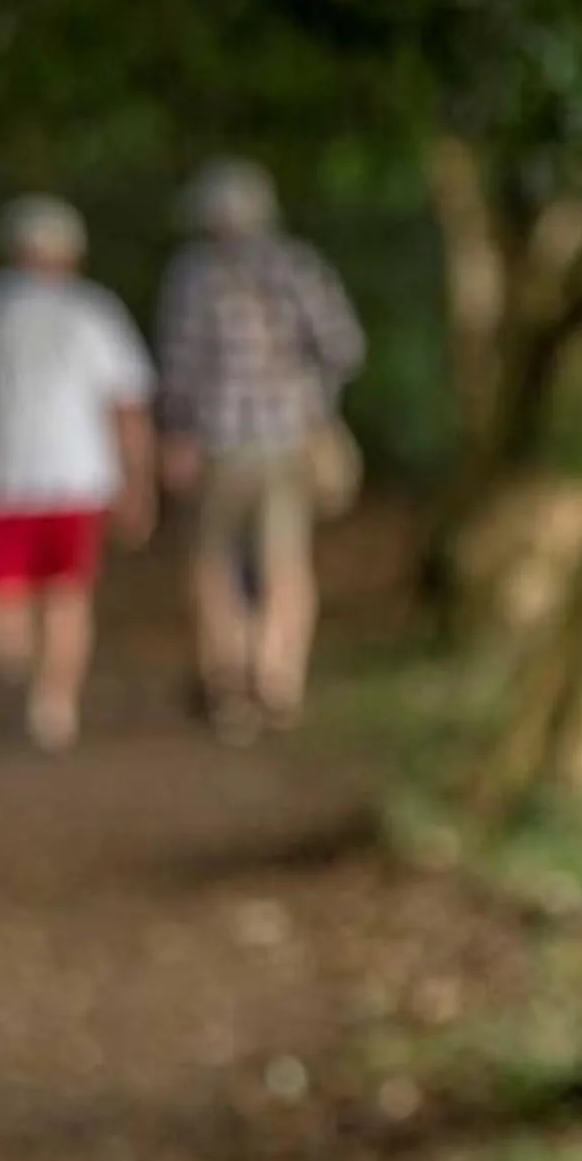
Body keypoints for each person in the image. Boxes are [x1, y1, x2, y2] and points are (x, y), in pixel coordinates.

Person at [0, 195, 157, 752]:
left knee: (2, 596)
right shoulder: (94, 311)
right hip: (79, 478)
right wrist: (137, 482)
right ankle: (54, 706)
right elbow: (127, 407)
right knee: (67, 596)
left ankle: (15, 692)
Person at [153, 159, 365, 740]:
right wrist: (309, 396)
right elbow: (344, 348)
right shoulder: (299, 266)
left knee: (212, 562)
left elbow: (179, 367)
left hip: (220, 442)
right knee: (285, 563)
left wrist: (175, 435)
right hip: (289, 439)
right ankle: (278, 677)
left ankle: (229, 681)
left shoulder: (194, 275)